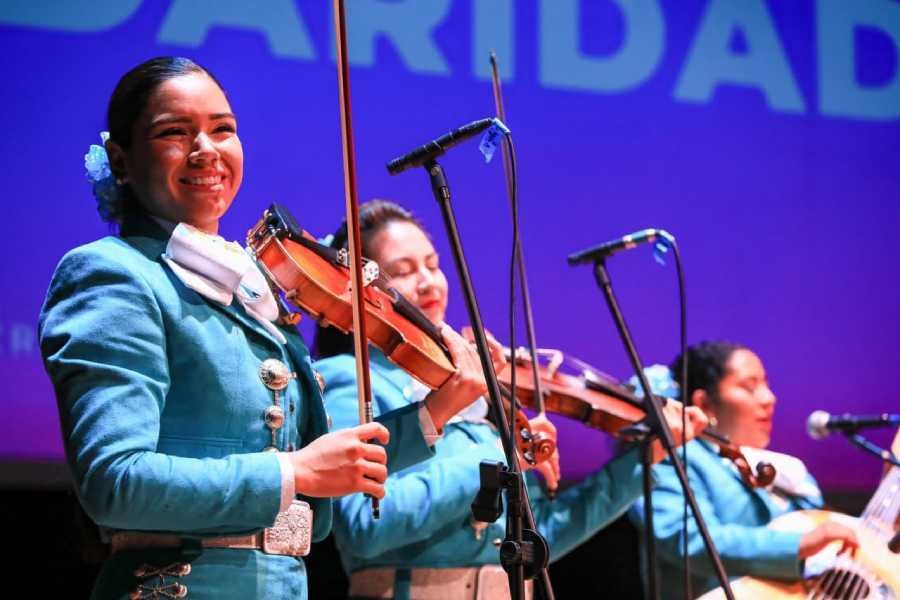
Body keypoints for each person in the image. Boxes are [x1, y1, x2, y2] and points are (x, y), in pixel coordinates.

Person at [39, 57, 481, 600]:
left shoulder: (250, 283)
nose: (206, 149)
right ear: (120, 160)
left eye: (222, 129)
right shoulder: (115, 274)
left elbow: (324, 463)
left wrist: (438, 410)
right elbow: (115, 481)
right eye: (174, 133)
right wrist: (291, 471)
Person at [313, 200, 709, 600]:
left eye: (433, 265)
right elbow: (364, 526)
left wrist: (638, 464)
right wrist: (501, 459)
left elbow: (541, 538)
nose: (428, 282)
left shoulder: (484, 385)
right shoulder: (352, 377)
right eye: (403, 271)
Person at [628, 340, 859, 600]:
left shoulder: (778, 468)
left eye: (766, 384)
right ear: (704, 403)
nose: (769, 398)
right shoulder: (671, 455)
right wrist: (798, 545)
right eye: (749, 387)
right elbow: (687, 539)